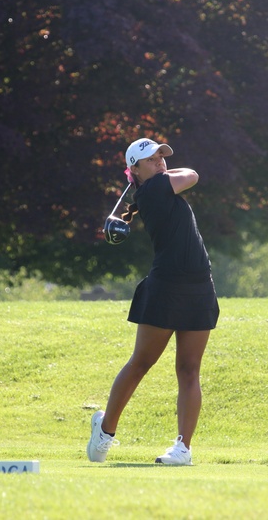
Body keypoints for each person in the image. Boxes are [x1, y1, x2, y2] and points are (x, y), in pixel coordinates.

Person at [87, 137, 220, 465]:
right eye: (151, 159)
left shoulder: (154, 186)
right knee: (141, 363)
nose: (160, 162)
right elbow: (192, 175)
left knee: (189, 370)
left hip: (199, 286)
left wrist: (150, 172)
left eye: (162, 157)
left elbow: (184, 176)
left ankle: (183, 449)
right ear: (134, 169)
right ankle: (105, 431)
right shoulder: (153, 190)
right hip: (166, 288)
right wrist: (154, 176)